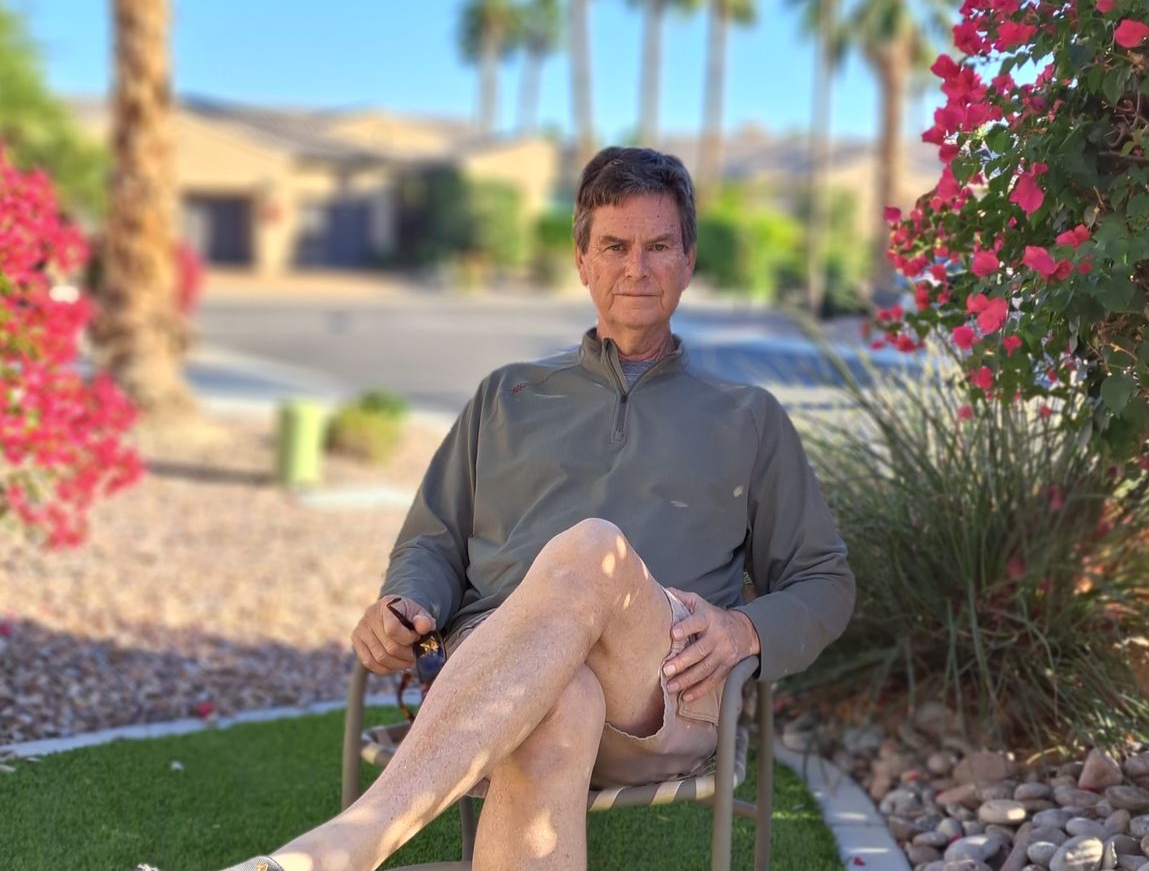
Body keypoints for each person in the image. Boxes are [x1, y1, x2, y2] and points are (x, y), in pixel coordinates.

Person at [225, 147, 855, 871]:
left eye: (658, 247)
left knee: (593, 550)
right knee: (561, 702)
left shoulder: (747, 418)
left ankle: (350, 844)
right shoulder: (507, 396)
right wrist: (406, 604)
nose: (637, 268)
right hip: (497, 681)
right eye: (614, 247)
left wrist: (744, 629)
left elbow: (825, 582)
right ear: (582, 260)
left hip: (662, 692)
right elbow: (433, 542)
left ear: (688, 262)